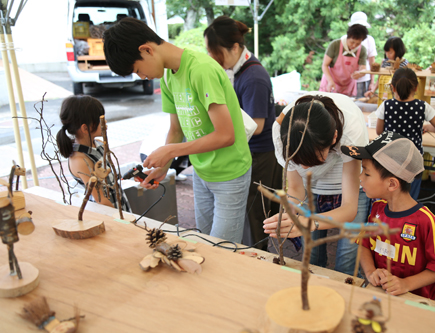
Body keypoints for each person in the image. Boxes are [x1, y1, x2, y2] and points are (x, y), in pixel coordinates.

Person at [103, 18, 252, 244]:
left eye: (137, 69)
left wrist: (171, 150)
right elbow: (176, 129)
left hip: (230, 174)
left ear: (147, 50)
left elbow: (226, 135)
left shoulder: (201, 69)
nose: (141, 77)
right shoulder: (168, 76)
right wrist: (164, 166)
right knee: (204, 242)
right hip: (202, 172)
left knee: (222, 251)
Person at [263, 93, 370, 275]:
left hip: (347, 179)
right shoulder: (284, 133)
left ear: (334, 138)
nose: (303, 167)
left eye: (311, 159)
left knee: (346, 262)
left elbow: (350, 208)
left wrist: (309, 222)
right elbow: (297, 188)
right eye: (298, 160)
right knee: (311, 257)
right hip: (312, 187)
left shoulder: (351, 135)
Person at [341, 131, 435, 299]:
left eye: (367, 173)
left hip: (412, 303)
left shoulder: (426, 221)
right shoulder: (377, 209)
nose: (360, 177)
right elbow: (364, 245)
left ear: (392, 184)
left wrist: (406, 284)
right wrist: (371, 272)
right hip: (379, 295)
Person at [204, 16, 281, 250]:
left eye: (216, 52)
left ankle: (258, 262)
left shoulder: (253, 77)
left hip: (261, 155)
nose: (212, 59)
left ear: (235, 47)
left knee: (257, 217)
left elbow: (257, 126)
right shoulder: (238, 70)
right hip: (252, 152)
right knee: (249, 215)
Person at [375, 68, 435, 200]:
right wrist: (428, 127)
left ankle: (388, 219)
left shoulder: (386, 105)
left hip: (390, 159)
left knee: (389, 196)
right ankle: (407, 218)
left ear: (393, 87)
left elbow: (379, 132)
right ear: (416, 87)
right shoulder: (423, 106)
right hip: (413, 160)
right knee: (410, 198)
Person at [56, 95, 131, 211]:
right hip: (109, 213)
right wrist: (122, 218)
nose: (104, 121)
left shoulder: (99, 144)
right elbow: (100, 199)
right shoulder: (80, 160)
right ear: (85, 128)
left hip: (119, 203)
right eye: (99, 119)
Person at [319, 24, 368, 97]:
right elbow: (325, 65)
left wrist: (360, 73)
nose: (354, 45)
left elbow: (363, 69)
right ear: (348, 36)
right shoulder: (335, 45)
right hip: (330, 82)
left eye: (358, 43)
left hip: (347, 86)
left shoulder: (362, 50)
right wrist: (330, 81)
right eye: (352, 42)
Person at [347, 12, 378, 98]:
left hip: (364, 80)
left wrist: (372, 82)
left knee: (361, 104)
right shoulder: (347, 39)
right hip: (347, 80)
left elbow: (372, 62)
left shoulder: (369, 40)